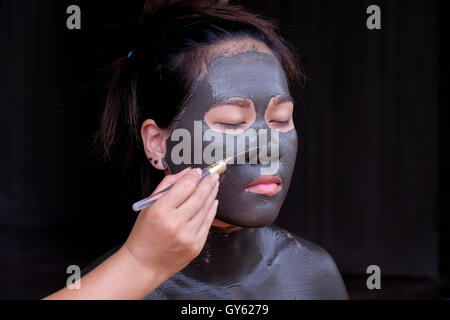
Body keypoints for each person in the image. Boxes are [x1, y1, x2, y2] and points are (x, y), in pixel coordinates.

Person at [48, 0, 349, 300]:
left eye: (280, 120)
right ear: (158, 143)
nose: (268, 149)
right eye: (232, 123)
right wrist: (139, 264)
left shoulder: (312, 275)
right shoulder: (112, 289)